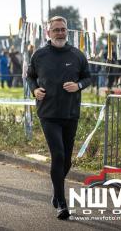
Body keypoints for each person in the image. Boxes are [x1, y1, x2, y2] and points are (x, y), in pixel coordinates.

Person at [27, 16, 91, 220]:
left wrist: (78, 85)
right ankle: (61, 203)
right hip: (48, 113)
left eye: (63, 29)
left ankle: (56, 191)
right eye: (56, 30)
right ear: (48, 32)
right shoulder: (39, 55)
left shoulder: (77, 55)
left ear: (67, 31)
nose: (60, 33)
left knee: (67, 160)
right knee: (58, 155)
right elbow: (30, 76)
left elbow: (88, 77)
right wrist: (34, 89)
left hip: (71, 113)